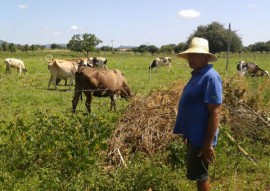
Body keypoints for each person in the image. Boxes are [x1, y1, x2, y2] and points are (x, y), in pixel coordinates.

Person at [173, 37, 222, 191]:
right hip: (194, 134)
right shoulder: (198, 75)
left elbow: (215, 112)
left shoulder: (211, 77)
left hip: (202, 137)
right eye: (190, 55)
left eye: (196, 55)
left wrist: (207, 144)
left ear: (206, 57)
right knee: (198, 174)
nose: (191, 58)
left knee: (202, 176)